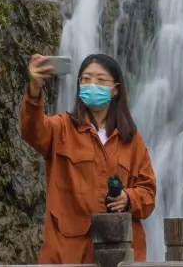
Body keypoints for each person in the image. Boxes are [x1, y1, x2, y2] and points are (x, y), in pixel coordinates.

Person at [19, 52, 157, 265]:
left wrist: (127, 198)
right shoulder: (62, 128)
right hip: (69, 253)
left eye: (101, 80)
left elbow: (148, 193)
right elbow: (32, 130)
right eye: (85, 79)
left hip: (122, 254)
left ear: (116, 89)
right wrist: (35, 89)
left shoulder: (131, 139)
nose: (92, 85)